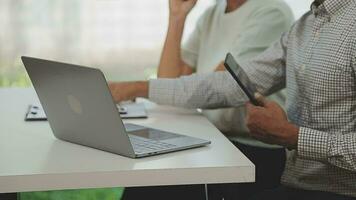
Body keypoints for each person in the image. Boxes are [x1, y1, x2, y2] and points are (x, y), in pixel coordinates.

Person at [110, 0, 356, 199]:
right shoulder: (304, 26)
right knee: (150, 185)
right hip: (296, 184)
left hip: (334, 189)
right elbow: (228, 84)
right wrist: (137, 87)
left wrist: (295, 136)